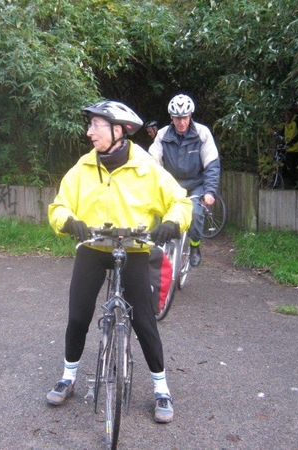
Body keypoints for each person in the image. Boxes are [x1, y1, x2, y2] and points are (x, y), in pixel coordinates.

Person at [47, 100, 192, 424]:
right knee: (78, 315)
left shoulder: (146, 167)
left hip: (135, 248)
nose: (89, 132)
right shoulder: (84, 168)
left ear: (117, 130)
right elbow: (58, 206)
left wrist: (172, 223)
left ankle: (161, 388)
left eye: (95, 126)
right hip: (93, 247)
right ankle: (68, 377)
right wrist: (69, 222)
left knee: (143, 319)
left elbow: (179, 201)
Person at [149, 94, 220, 267]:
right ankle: (155, 247)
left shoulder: (202, 133)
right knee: (157, 212)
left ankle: (195, 246)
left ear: (190, 116)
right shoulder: (162, 135)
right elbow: (152, 162)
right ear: (171, 117)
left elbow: (211, 164)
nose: (181, 122)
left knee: (195, 213)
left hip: (195, 185)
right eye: (177, 118)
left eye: (185, 117)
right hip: (171, 186)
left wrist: (210, 191)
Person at [277, 104, 298, 186]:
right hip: (289, 150)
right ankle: (292, 186)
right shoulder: (285, 123)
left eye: (286, 115)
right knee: (290, 169)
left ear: (290, 114)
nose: (285, 118)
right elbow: (282, 133)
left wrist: (291, 143)